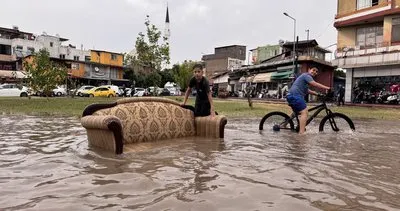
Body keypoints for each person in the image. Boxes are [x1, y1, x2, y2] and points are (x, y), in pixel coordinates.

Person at [286, 66, 331, 134]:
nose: (315, 72)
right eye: (313, 70)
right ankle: (301, 133)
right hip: (295, 96)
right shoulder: (306, 75)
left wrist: (318, 94)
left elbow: (307, 90)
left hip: (291, 96)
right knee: (304, 112)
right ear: (309, 70)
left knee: (295, 113)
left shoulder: (305, 80)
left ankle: (283, 124)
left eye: (316, 72)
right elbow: (314, 84)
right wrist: (327, 88)